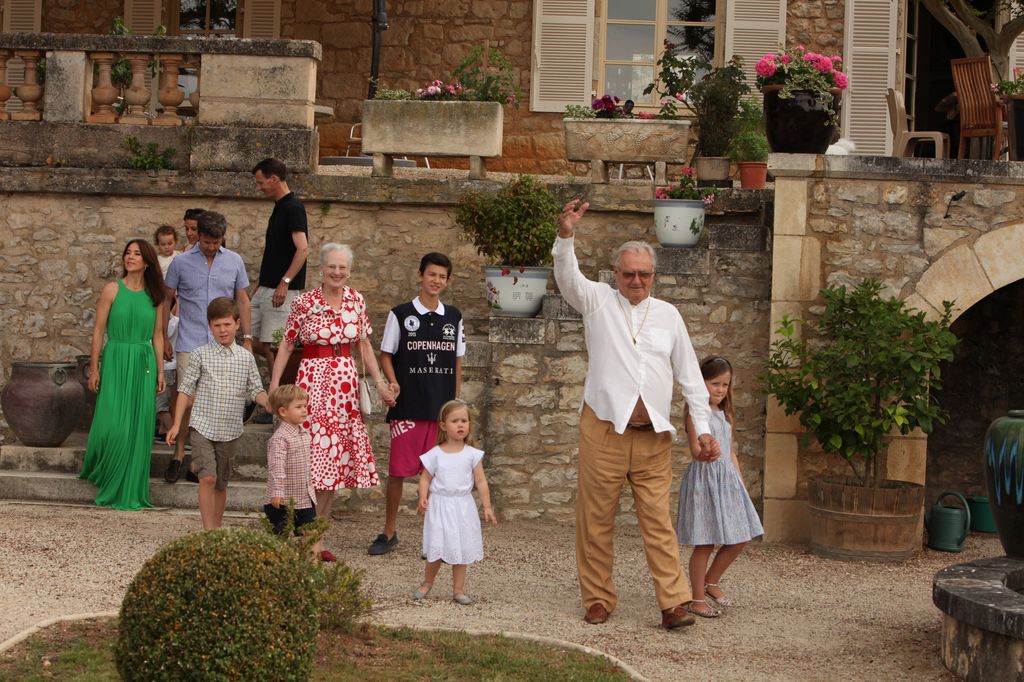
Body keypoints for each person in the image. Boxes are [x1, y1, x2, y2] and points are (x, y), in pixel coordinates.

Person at [553, 198, 720, 630]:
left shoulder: (669, 315)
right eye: (628, 273)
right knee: (595, 519)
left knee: (658, 523)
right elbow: (566, 278)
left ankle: (673, 603)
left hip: (653, 438)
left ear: (654, 276)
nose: (636, 280)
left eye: (644, 274)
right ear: (616, 274)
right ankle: (597, 598)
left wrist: (702, 428)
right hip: (604, 430)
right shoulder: (596, 302)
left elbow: (690, 379)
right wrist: (566, 235)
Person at [269, 243, 394, 562]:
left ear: (350, 270)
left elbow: (364, 345)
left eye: (343, 267)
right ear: (321, 269)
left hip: (345, 390)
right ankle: (302, 536)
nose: (337, 272)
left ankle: (316, 538)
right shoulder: (306, 301)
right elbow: (286, 344)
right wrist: (274, 384)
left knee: (335, 468)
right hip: (313, 386)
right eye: (331, 267)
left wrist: (379, 383)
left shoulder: (356, 299)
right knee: (311, 466)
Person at [368, 252, 465, 556]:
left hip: (440, 411)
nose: (436, 280)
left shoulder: (454, 317)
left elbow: (457, 361)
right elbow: (385, 354)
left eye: (442, 276)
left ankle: (434, 538)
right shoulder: (400, 314)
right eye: (431, 274)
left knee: (439, 476)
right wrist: (392, 382)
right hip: (408, 407)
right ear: (420, 275)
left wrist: (456, 403)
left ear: (448, 281)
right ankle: (388, 531)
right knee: (398, 472)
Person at [163, 210, 253, 483]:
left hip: (223, 344)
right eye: (207, 242)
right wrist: (163, 336)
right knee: (186, 399)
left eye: (217, 242)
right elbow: (166, 300)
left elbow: (243, 301)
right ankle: (179, 454)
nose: (212, 247)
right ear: (197, 235)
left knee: (217, 401)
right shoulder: (180, 263)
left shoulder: (235, 261)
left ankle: (198, 461)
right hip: (190, 340)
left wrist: (247, 338)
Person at [79, 239, 166, 510]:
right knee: (113, 426)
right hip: (116, 359)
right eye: (127, 253)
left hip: (143, 363)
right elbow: (97, 332)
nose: (130, 257)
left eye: (137, 254)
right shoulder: (111, 290)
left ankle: (129, 487)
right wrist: (95, 368)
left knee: (138, 428)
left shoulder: (155, 295)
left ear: (147, 261)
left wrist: (161, 371)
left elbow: (158, 335)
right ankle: (105, 470)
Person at [167, 297, 268, 529]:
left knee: (221, 484)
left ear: (237, 324)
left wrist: (269, 402)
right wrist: (175, 424)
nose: (222, 330)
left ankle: (217, 529)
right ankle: (208, 531)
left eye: (227, 324)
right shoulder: (200, 354)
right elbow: (184, 390)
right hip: (202, 426)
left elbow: (255, 389)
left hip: (230, 430)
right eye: (217, 325)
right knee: (208, 477)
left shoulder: (245, 358)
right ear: (210, 327)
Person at [676, 356, 764, 618]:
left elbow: (731, 450)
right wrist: (707, 452)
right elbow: (695, 451)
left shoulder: (726, 413)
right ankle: (696, 598)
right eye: (715, 383)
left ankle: (711, 581)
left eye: (725, 384)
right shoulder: (696, 414)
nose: (721, 389)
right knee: (705, 542)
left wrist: (739, 482)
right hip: (705, 480)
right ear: (700, 384)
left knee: (741, 536)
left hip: (728, 481)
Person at [412, 400, 496, 605]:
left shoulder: (472, 455)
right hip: (440, 506)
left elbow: (481, 481)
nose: (460, 425)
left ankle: (458, 590)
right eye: (455, 421)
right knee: (436, 547)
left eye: (464, 421)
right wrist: (423, 496)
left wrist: (486, 506)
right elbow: (425, 477)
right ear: (443, 425)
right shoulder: (435, 454)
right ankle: (427, 583)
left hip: (462, 507)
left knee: (460, 549)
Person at [251, 158, 310, 375]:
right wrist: (261, 283)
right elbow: (276, 252)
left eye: (261, 182)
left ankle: (280, 399)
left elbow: (302, 249)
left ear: (274, 179)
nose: (259, 188)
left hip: (281, 291)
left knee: (274, 347)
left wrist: (285, 283)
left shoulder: (293, 208)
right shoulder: (280, 207)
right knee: (252, 340)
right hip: (267, 288)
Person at [264, 384, 320, 559]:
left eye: (305, 406)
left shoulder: (304, 434)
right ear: (283, 411)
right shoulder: (280, 439)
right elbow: (276, 467)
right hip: (282, 500)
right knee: (278, 540)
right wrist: (277, 492)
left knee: (311, 534)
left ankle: (312, 571)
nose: (304, 410)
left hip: (304, 497)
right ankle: (276, 571)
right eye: (298, 407)